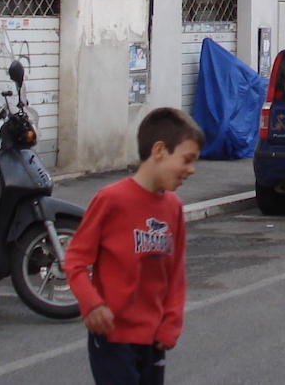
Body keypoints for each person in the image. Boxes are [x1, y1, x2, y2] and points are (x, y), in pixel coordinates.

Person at [66, 107, 204, 385]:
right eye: (187, 160)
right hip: (113, 337)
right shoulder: (111, 200)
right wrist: (92, 305)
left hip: (154, 339)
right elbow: (75, 261)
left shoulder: (174, 208)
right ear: (159, 151)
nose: (191, 170)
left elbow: (175, 276)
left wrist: (171, 323)